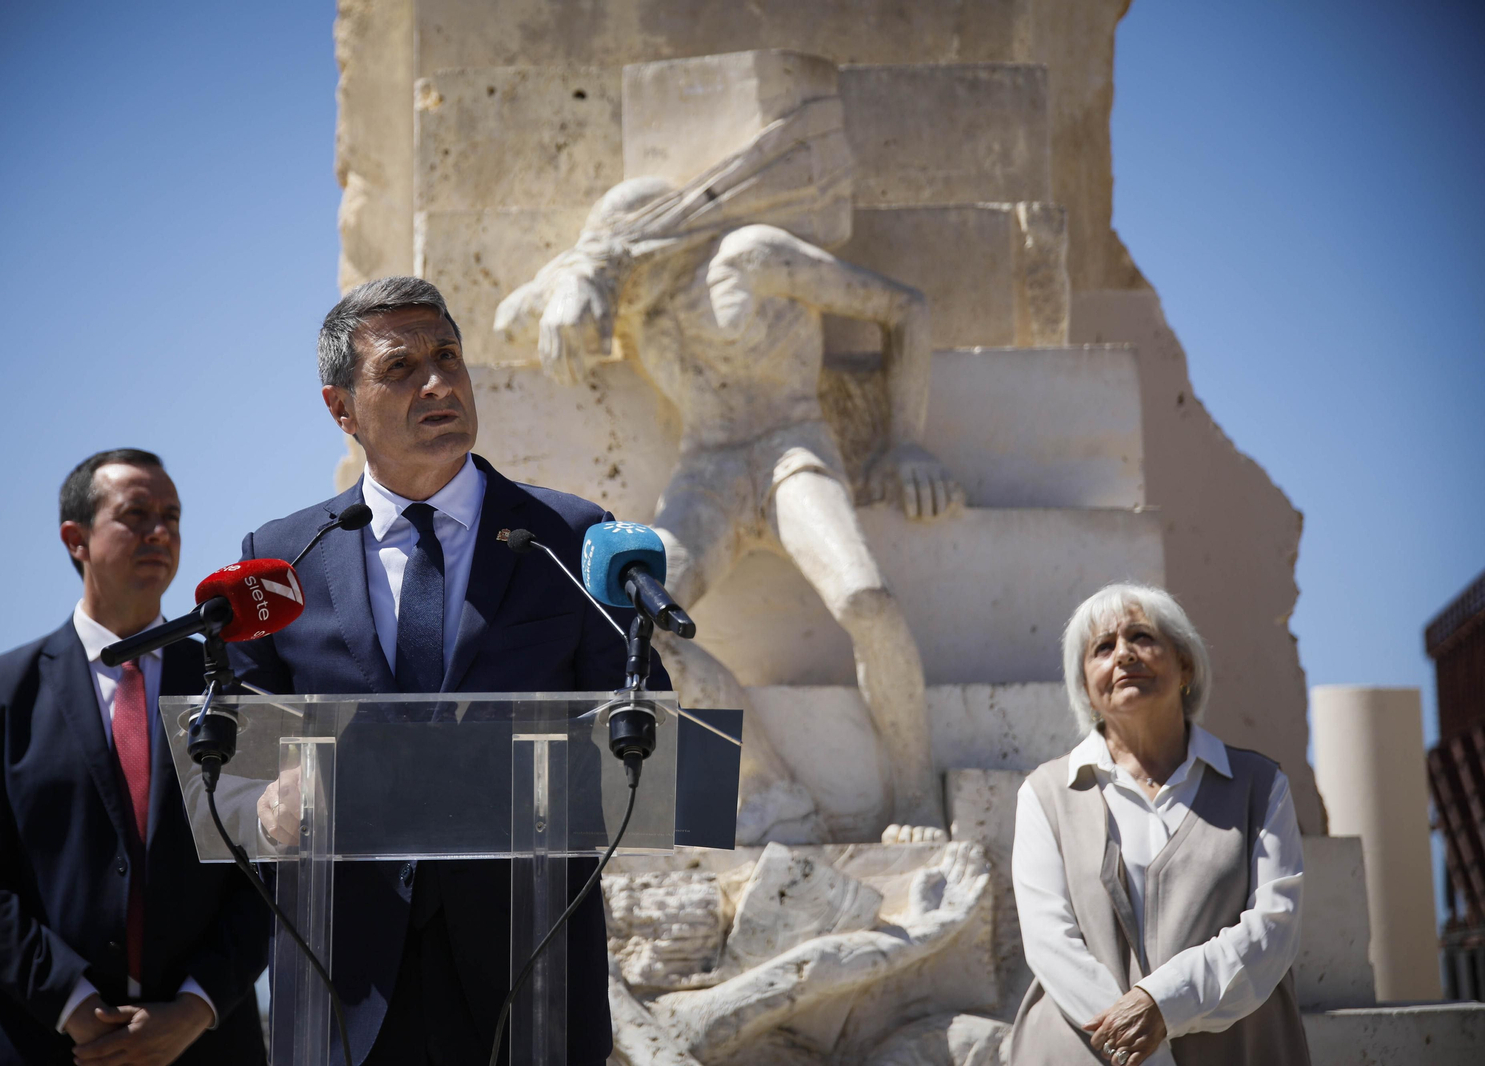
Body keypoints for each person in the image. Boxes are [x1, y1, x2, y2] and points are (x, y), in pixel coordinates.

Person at [495, 94, 958, 844]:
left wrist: (904, 441)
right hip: (707, 474)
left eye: (622, 270)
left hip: (790, 452)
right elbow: (508, 321)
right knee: (626, 621)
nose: (619, 294)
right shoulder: (628, 304)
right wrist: (575, 277)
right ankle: (770, 786)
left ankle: (915, 800)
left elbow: (903, 308)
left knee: (866, 598)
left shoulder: (749, 256)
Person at [229, 277, 663, 1066]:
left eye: (448, 357)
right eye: (401, 368)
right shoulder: (283, 559)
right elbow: (228, 758)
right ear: (341, 408)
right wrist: (266, 806)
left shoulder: (569, 538)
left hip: (528, 979)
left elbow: (645, 732)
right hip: (345, 986)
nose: (437, 382)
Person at [0, 450, 270, 1065]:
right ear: (76, 539)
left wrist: (194, 1008)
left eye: (172, 516)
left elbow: (266, 876)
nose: (160, 531)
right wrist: (73, 1005)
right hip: (40, 1040)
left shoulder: (229, 690)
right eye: (135, 514)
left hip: (204, 1043)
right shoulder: (0, 694)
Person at [1008, 583, 1311, 1065]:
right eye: (1103, 648)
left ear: (1185, 665)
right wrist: (1138, 1049)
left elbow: (1274, 928)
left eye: (1142, 637)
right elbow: (1049, 942)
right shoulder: (1045, 795)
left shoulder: (1259, 786)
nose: (1124, 654)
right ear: (1085, 687)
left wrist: (1163, 1004)